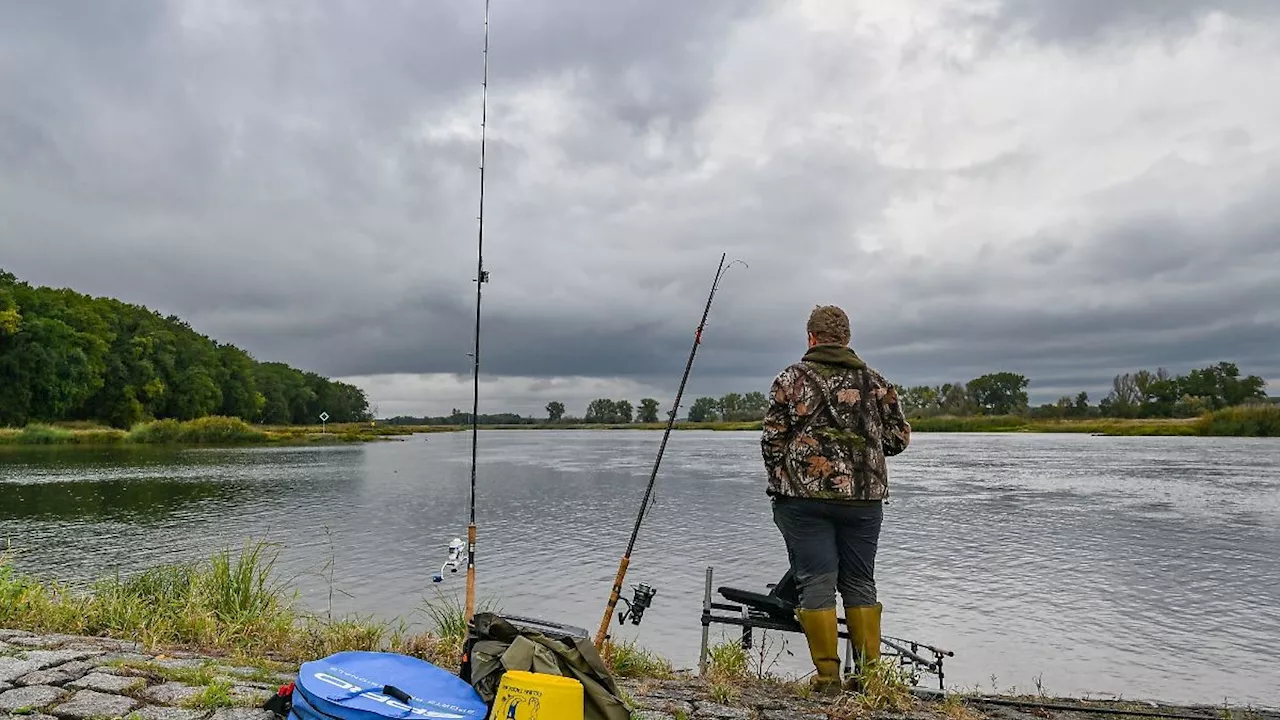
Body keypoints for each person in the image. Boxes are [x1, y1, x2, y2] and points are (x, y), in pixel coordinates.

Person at [760, 304, 911, 691]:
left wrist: (784, 478)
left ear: (810, 338)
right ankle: (868, 680)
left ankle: (827, 680)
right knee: (860, 581)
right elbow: (898, 439)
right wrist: (862, 452)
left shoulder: (791, 379)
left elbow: (772, 440)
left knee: (816, 581)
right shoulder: (876, 382)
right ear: (847, 339)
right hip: (864, 500)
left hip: (802, 500)